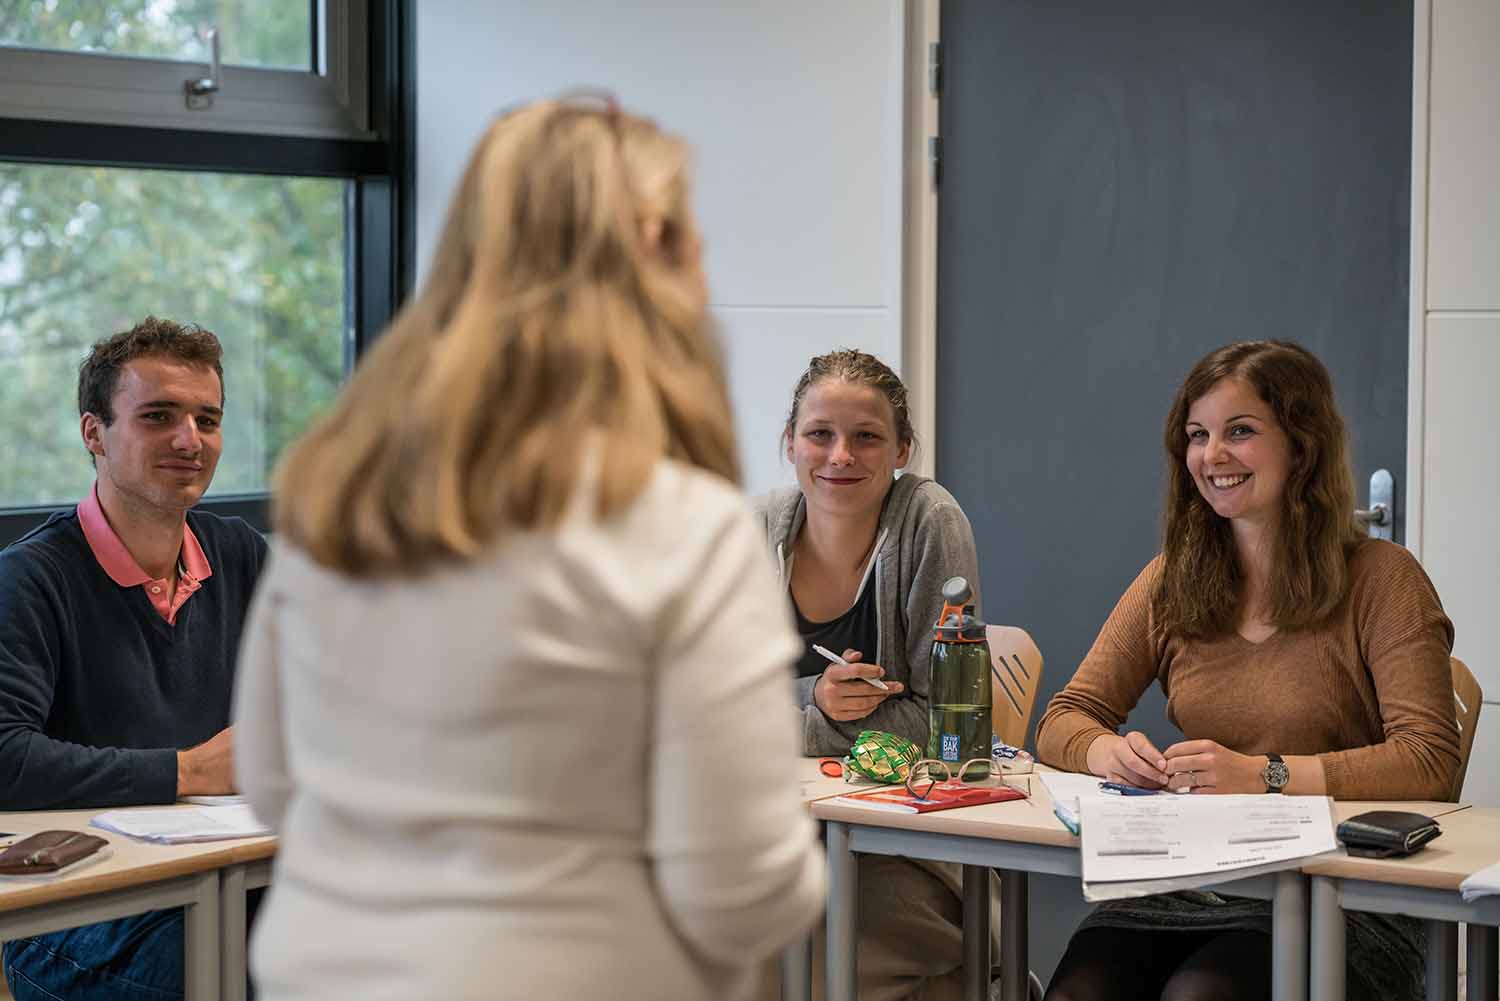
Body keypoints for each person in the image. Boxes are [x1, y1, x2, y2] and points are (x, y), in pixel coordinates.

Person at [232, 97, 824, 1001]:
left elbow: (275, 785)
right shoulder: (684, 528)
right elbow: (739, 895)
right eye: (693, 239)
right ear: (654, 256)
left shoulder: (336, 503)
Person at [1035, 340, 1460, 1001]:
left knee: (1201, 994)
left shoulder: (1384, 578)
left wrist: (1266, 776)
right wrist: (1108, 751)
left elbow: (1430, 759)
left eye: (1240, 431)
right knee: (1079, 993)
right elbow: (1064, 718)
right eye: (1198, 435)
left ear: (1303, 444)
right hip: (1190, 880)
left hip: (1342, 891)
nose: (1212, 456)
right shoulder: (1172, 580)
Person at [0, 317, 268, 1001]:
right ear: (94, 433)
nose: (190, 439)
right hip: (67, 922)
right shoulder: (29, 579)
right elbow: (5, 757)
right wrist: (189, 770)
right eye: (159, 416)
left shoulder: (240, 554)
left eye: (207, 419)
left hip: (224, 874)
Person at [758, 348, 1001, 1001]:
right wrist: (817, 702)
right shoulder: (758, 529)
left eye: (866, 436)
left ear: (903, 449)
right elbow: (710, 710)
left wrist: (799, 723)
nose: (841, 455)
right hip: (773, 834)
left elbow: (949, 728)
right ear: (789, 443)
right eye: (819, 434)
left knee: (770, 967)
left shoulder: (931, 522)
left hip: (905, 853)